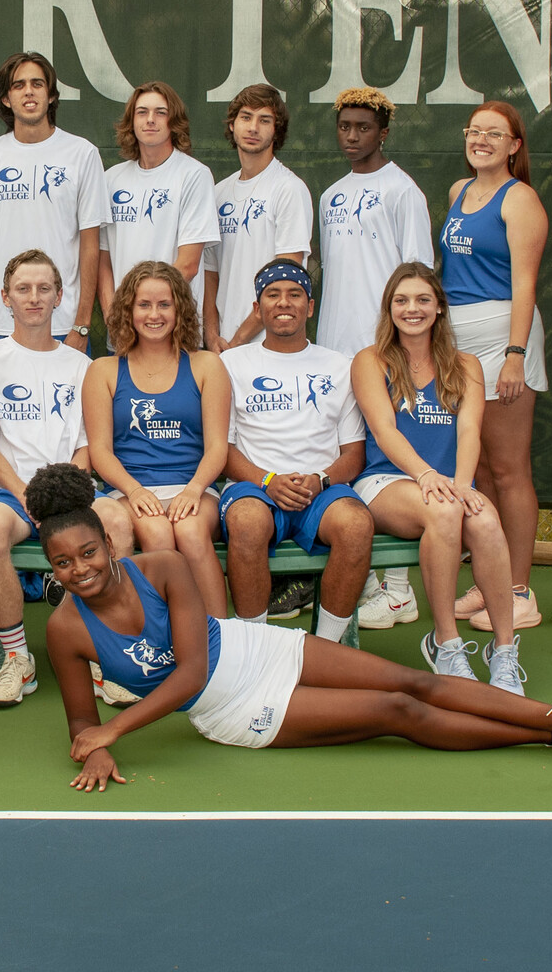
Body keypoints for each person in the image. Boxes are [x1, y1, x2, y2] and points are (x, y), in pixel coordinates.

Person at [24, 464, 552, 791]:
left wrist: (117, 730)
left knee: (410, 680)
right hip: (233, 709)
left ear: (108, 542)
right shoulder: (64, 631)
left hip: (251, 649)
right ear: (51, 567)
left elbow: (190, 668)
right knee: (398, 711)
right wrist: (94, 746)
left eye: (88, 553)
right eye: (62, 563)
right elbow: (83, 719)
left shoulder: (160, 566)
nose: (80, 570)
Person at [350, 264, 526, 692]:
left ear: (440, 307)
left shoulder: (466, 365)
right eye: (402, 300)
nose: (413, 309)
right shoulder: (370, 360)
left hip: (447, 485)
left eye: (423, 299)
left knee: (484, 519)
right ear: (389, 308)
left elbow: (469, 431)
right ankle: (445, 642)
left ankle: (504, 653)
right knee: (446, 511)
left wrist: (465, 484)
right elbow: (384, 431)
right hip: (386, 482)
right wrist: (427, 474)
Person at [0, 249, 135, 709]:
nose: (34, 297)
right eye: (23, 288)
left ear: (60, 296)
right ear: (4, 297)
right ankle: (16, 658)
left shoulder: (81, 365)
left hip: (71, 490)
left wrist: (60, 490)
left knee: (119, 524)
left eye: (44, 288)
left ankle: (108, 653)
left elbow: (90, 444)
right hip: (11, 492)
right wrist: (27, 494)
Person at [312, 86, 434, 631]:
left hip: (387, 349)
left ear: (383, 132)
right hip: (337, 350)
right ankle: (357, 574)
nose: (353, 136)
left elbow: (418, 274)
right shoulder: (331, 194)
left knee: (387, 458)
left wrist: (406, 346)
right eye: (345, 127)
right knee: (345, 454)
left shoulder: (403, 190)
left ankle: (399, 588)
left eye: (363, 127)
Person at [439, 101, 549, 634]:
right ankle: (490, 581)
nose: (481, 139)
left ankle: (520, 591)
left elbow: (526, 284)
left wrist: (515, 355)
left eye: (494, 133)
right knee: (477, 468)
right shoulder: (459, 193)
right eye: (474, 131)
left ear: (514, 145)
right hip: (458, 341)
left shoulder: (520, 199)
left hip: (504, 336)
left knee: (508, 469)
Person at [220, 260, 374, 640]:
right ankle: (256, 648)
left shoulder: (340, 366)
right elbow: (221, 448)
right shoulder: (230, 363)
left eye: (294, 294)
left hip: (320, 489)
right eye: (272, 295)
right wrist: (267, 480)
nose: (283, 302)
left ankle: (326, 648)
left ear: (310, 305)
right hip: (255, 487)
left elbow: (353, 454)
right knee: (246, 522)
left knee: (356, 525)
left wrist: (320, 480)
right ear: (257, 309)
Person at [84, 262, 232, 617]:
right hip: (130, 490)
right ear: (128, 311)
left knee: (193, 535)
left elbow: (217, 448)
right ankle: (164, 636)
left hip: (193, 487)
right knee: (158, 534)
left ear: (179, 308)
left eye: (164, 304)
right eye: (144, 305)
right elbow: (100, 451)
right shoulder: (104, 370)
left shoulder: (206, 365)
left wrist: (194, 490)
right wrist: (135, 491)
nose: (154, 314)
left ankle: (224, 638)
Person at [0, 52, 104, 349]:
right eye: (18, 85)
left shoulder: (82, 154)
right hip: (0, 325)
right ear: (7, 99)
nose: (29, 91)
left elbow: (91, 245)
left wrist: (82, 324)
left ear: (51, 96)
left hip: (64, 324)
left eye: (37, 83)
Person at [202, 83, 312, 352]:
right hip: (221, 345)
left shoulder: (289, 189)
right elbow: (210, 274)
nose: (253, 128)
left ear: (277, 130)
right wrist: (211, 334)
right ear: (232, 125)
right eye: (246, 117)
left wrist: (239, 340)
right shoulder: (218, 193)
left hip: (268, 344)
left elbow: (286, 278)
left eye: (264, 120)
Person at [98, 82, 218, 316]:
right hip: (124, 325)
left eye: (160, 113)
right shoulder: (110, 179)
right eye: (142, 112)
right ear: (131, 121)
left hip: (173, 325)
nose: (150, 119)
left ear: (174, 122)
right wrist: (114, 315)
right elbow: (103, 261)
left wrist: (143, 309)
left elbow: (188, 265)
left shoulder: (194, 175)